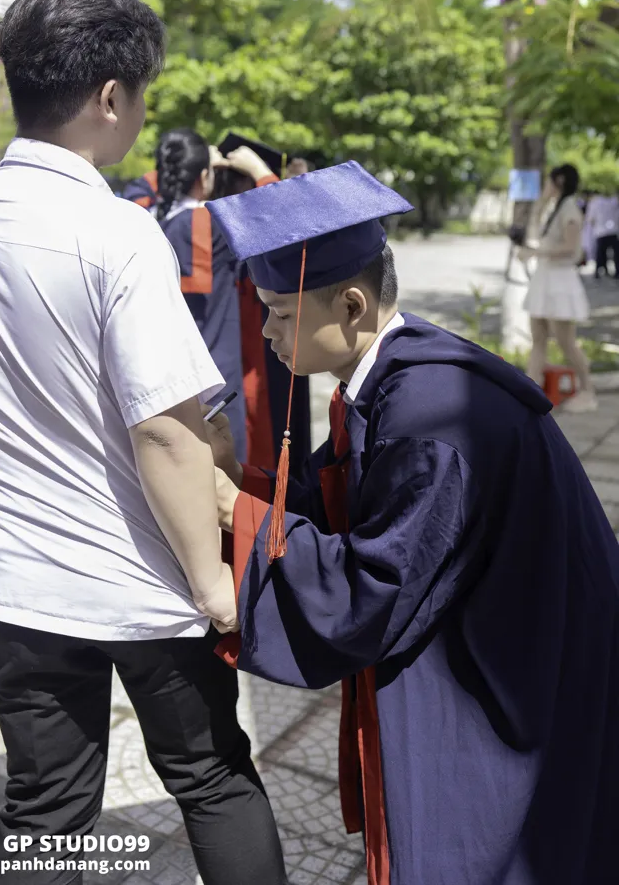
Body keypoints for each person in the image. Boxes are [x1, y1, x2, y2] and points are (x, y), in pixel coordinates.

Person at [0, 0, 286, 885]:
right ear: (111, 96)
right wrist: (211, 579)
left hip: (15, 574)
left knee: (46, 804)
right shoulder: (117, 233)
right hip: (139, 576)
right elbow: (166, 433)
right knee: (212, 778)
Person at [203, 161, 619, 885]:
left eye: (279, 312)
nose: (265, 332)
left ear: (352, 305)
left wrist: (230, 510)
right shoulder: (397, 371)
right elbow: (337, 498)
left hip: (525, 661)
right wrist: (242, 479)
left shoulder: (430, 418)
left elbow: (372, 586)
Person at [155, 130, 276, 461]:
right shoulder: (210, 221)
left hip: (169, 372)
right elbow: (278, 215)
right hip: (216, 371)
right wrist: (259, 171)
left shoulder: (151, 219)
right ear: (204, 175)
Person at [210, 137, 312, 477]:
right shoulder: (234, 225)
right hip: (256, 353)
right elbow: (290, 220)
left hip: (249, 352)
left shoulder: (209, 220)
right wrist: (263, 173)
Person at [521, 164, 597, 413]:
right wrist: (541, 203)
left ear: (560, 181)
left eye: (550, 181)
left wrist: (536, 252)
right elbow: (537, 230)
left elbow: (571, 248)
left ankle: (588, 391)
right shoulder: (556, 207)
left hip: (560, 282)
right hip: (546, 279)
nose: (546, 185)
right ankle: (529, 391)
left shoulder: (569, 209)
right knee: (538, 338)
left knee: (566, 342)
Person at [586, 189, 619, 279]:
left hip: (601, 232)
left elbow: (591, 219)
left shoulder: (594, 203)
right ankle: (616, 272)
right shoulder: (613, 202)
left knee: (600, 253)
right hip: (613, 231)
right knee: (615, 254)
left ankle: (599, 271)